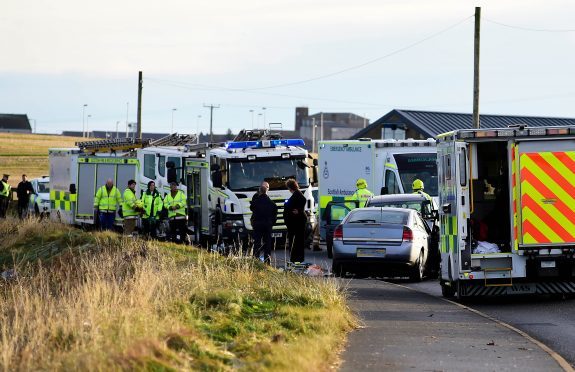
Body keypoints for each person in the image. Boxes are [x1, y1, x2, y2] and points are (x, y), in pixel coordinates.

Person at [250, 182, 278, 264]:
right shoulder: (272, 204)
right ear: (266, 191)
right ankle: (267, 261)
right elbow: (274, 216)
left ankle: (255, 260)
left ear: (260, 191)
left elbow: (252, 209)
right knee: (267, 244)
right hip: (267, 226)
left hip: (257, 225)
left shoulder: (255, 203)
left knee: (257, 243)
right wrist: (271, 223)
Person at [284, 178, 307, 263]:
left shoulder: (297, 195)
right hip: (298, 221)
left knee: (296, 241)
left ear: (290, 188)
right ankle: (298, 258)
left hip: (296, 222)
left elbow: (303, 200)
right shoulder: (297, 194)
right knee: (299, 240)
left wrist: (299, 210)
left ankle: (296, 259)